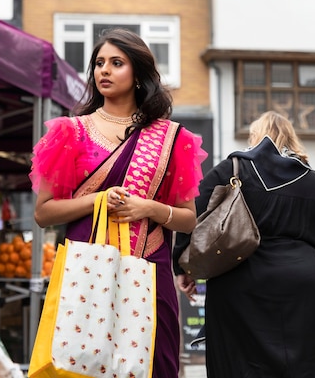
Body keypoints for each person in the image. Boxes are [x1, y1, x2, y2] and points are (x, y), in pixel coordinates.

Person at [30, 28, 207, 378]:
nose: (104, 71)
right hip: (86, 277)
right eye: (99, 64)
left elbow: (189, 220)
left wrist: (149, 208)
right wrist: (97, 200)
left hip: (149, 274)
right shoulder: (70, 133)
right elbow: (43, 212)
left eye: (116, 63)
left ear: (138, 74)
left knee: (155, 366)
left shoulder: (173, 139)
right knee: (81, 364)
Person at [173, 111, 315, 378]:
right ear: (292, 138)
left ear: (255, 136)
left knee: (239, 365)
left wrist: (182, 265)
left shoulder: (235, 168)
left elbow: (193, 212)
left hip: (242, 281)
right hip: (305, 289)